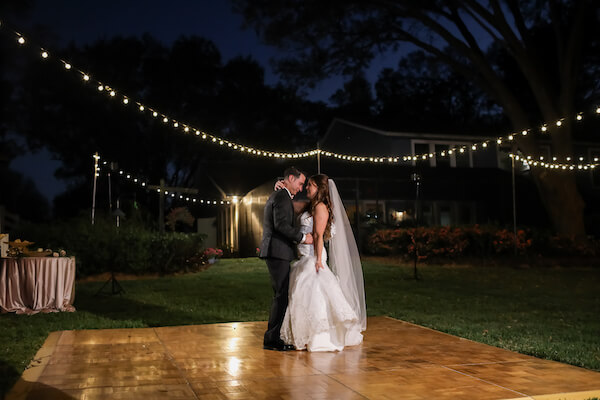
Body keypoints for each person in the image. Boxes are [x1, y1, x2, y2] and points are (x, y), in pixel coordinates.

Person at [280, 174, 367, 352]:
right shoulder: (310, 206)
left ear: (319, 189)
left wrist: (318, 260)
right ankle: (304, 334)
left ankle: (318, 336)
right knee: (302, 295)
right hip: (304, 257)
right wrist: (283, 191)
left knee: (313, 295)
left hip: (313, 257)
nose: (307, 188)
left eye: (310, 185)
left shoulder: (320, 207)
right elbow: (292, 207)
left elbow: (319, 235)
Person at [259, 166, 313, 351]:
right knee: (281, 296)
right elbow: (281, 225)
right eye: (299, 183)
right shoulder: (281, 196)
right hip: (277, 251)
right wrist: (304, 238)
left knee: (281, 295)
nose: (300, 188)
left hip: (278, 251)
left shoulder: (281, 194)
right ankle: (272, 340)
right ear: (290, 178)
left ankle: (273, 337)